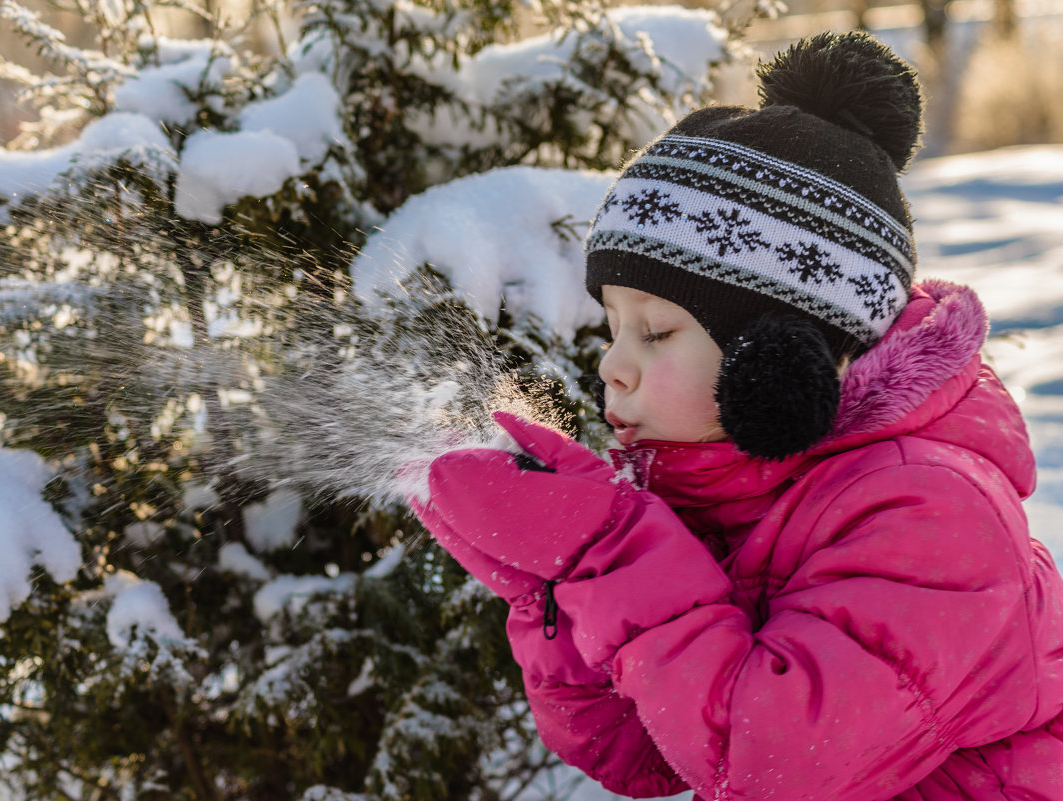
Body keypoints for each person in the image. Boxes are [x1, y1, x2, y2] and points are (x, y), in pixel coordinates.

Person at [407, 32, 1063, 801]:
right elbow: (636, 756)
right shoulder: (725, 489)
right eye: (611, 327)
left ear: (782, 358)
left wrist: (611, 551)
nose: (611, 366)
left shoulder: (931, 514)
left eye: (655, 332)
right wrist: (551, 579)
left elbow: (771, 763)